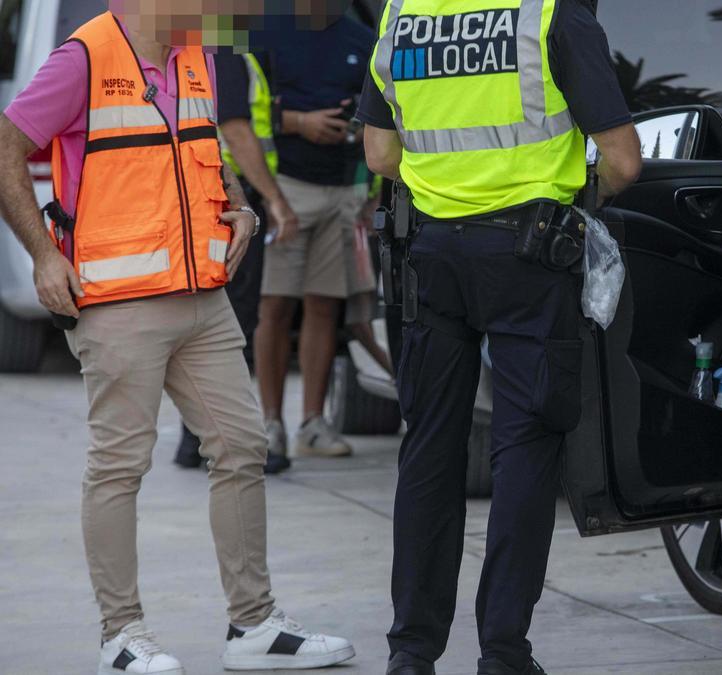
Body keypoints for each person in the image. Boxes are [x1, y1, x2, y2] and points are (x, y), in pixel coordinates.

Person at [0, 4, 354, 673]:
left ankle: (253, 626)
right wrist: (46, 256)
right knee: (118, 465)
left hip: (203, 297)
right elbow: (5, 144)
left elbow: (204, 150)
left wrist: (240, 206)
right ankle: (121, 635)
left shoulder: (196, 57)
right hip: (118, 305)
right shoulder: (84, 57)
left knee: (243, 445)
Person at [359, 1, 643, 673]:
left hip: (431, 254)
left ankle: (411, 652)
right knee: (523, 445)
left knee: (429, 447)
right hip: (529, 254)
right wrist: (567, 199)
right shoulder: (549, 15)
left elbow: (379, 150)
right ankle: (503, 652)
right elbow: (626, 162)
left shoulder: (403, 15)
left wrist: (449, 191)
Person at [251, 9, 379, 461]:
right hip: (286, 187)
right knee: (276, 305)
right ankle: (270, 423)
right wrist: (299, 123)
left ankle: (312, 423)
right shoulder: (265, 28)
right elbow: (238, 107)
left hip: (346, 188)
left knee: (325, 304)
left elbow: (381, 112)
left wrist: (370, 191)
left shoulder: (363, 38)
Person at [176, 50, 299, 474]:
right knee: (231, 324)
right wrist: (277, 201)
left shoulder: (211, 50)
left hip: (216, 200)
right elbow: (235, 129)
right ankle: (213, 439)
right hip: (229, 200)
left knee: (215, 319)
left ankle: (195, 440)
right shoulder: (222, 51)